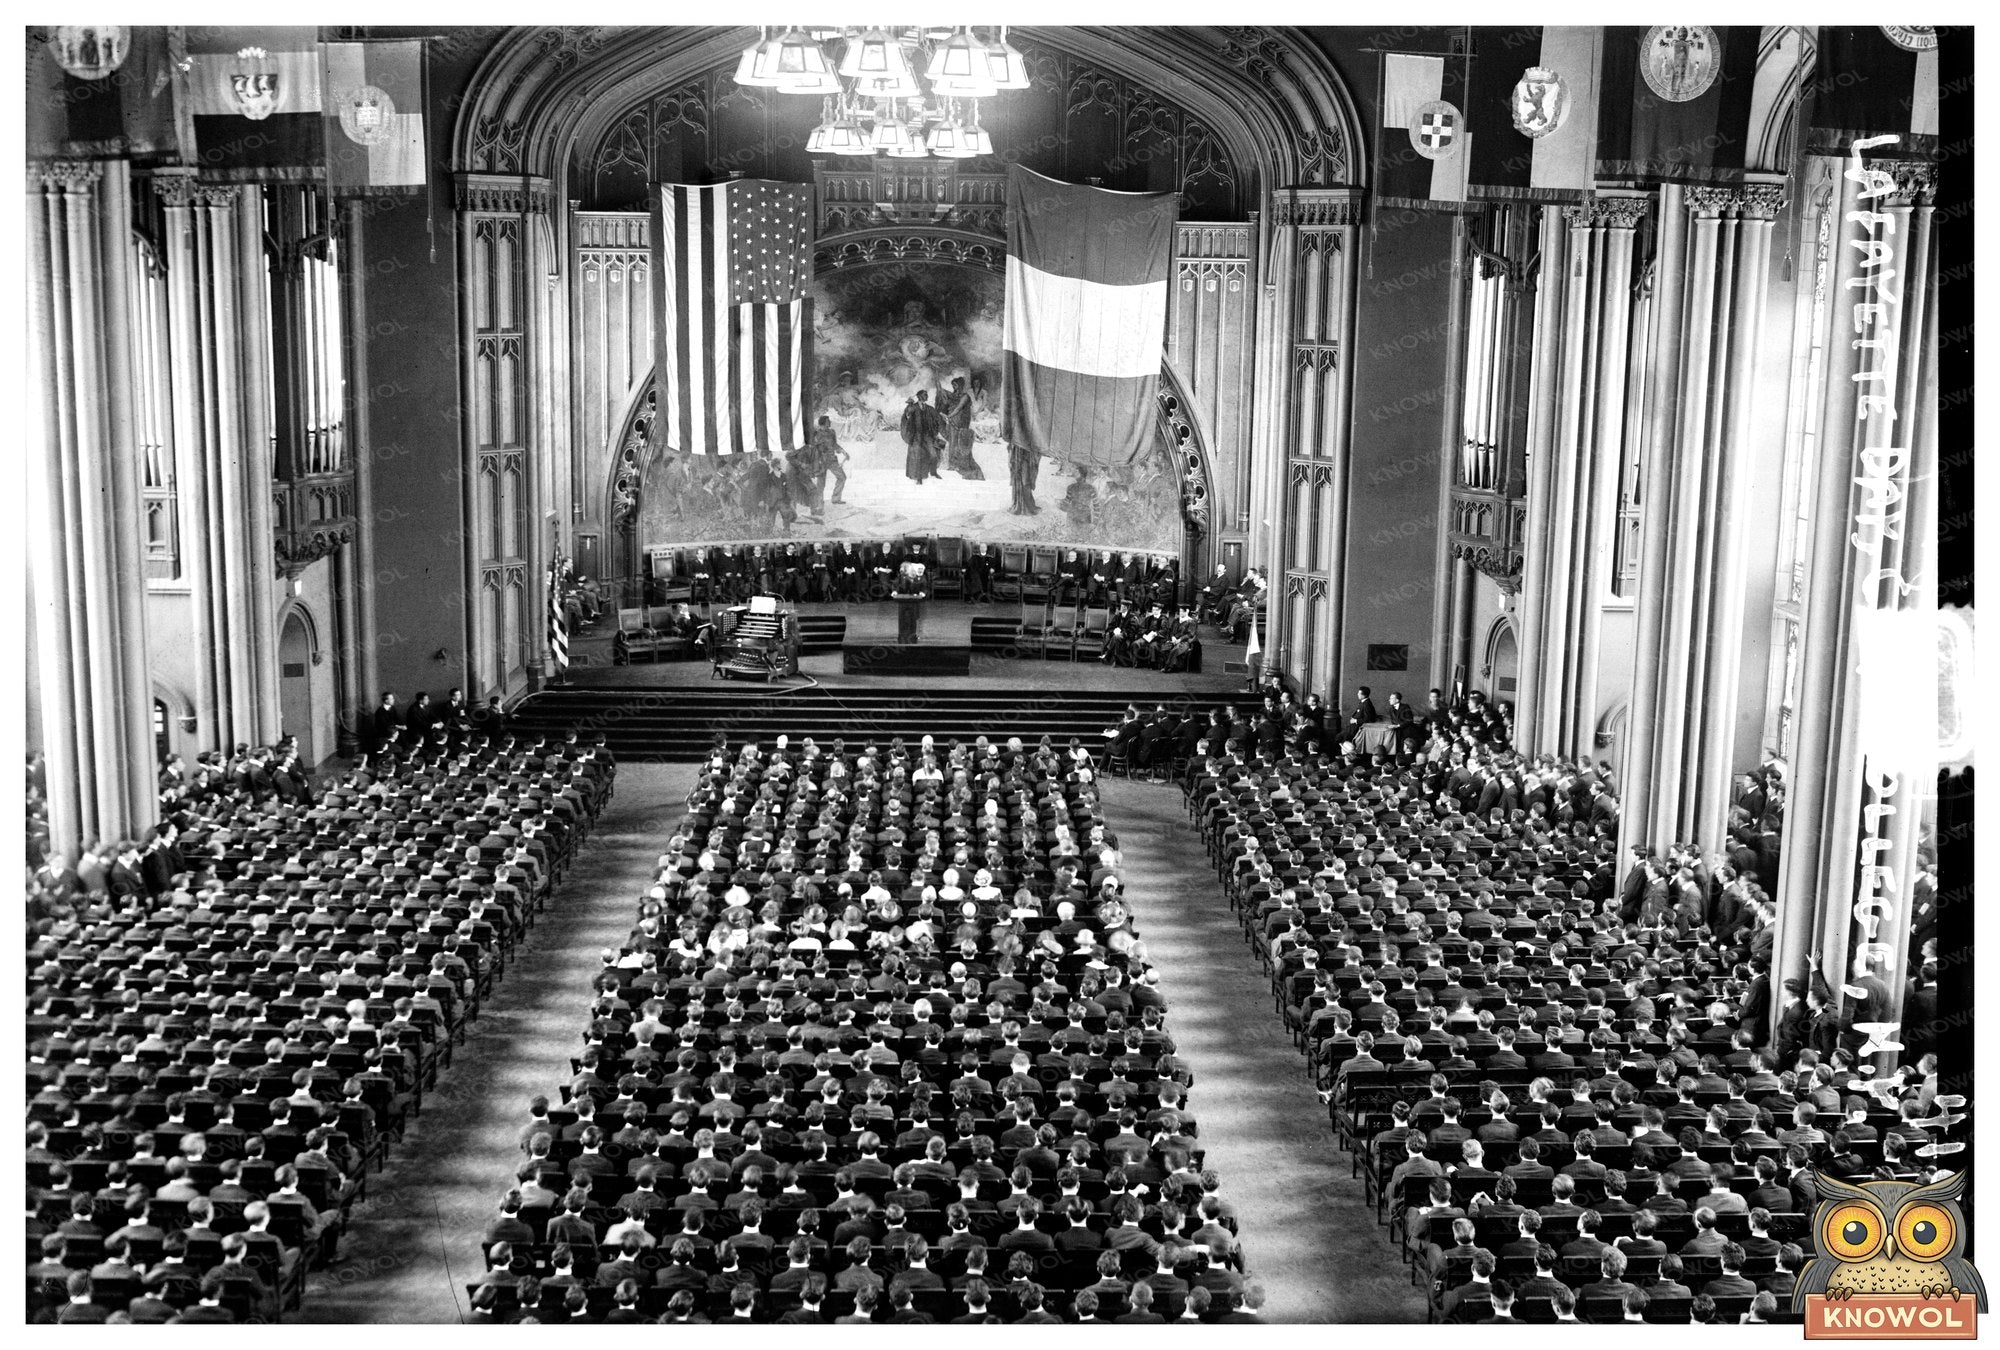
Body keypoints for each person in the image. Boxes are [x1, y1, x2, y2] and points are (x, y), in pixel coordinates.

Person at [940, 376, 982, 479]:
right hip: (951, 423)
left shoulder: (965, 396)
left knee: (958, 443)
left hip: (959, 424)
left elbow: (958, 408)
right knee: (952, 443)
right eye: (952, 385)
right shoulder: (953, 396)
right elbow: (948, 404)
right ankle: (952, 464)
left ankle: (959, 465)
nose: (953, 387)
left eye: (955, 385)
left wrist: (948, 416)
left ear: (960, 385)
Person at [902, 390, 945, 484]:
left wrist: (941, 419)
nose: (927, 396)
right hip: (916, 436)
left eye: (927, 394)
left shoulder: (929, 408)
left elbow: (937, 418)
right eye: (925, 395)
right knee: (918, 457)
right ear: (919, 396)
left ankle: (933, 472)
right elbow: (907, 415)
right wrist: (909, 405)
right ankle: (919, 478)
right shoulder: (913, 407)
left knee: (933, 455)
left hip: (927, 436)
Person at [809, 414, 849, 506]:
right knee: (821, 484)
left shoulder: (832, 432)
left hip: (832, 460)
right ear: (824, 423)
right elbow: (812, 448)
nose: (830, 422)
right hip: (821, 461)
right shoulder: (816, 434)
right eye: (828, 421)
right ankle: (819, 502)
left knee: (842, 477)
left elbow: (834, 445)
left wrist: (843, 451)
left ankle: (836, 499)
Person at [1007, 440, 1041, 514]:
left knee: (1026, 480)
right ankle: (1018, 504)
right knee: (1019, 478)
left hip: (1027, 452)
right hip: (1017, 452)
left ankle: (1027, 505)